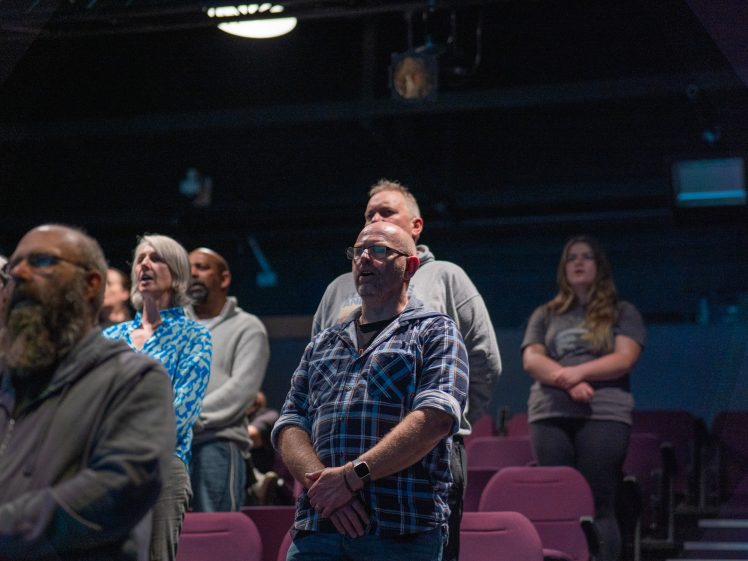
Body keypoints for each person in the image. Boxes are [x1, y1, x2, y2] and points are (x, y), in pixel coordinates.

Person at [312, 179, 501, 561]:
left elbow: (484, 361)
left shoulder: (446, 276)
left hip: (424, 455)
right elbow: (312, 378)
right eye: (369, 215)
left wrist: (448, 423)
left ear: (416, 225)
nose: (376, 217)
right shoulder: (337, 288)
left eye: (387, 211)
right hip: (336, 462)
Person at [273, 221, 469, 561]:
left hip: (400, 529)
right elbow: (290, 423)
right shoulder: (324, 342)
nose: (364, 258)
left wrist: (351, 478)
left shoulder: (434, 330)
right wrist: (326, 492)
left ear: (410, 267)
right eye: (358, 251)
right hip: (320, 526)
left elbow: (435, 419)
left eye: (379, 251)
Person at [0, 225, 176, 561]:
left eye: (41, 261)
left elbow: (117, 488)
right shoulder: (7, 379)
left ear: (90, 284)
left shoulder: (135, 378)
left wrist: (8, 526)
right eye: (11, 269)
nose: (19, 273)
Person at [521, 235, 646, 561]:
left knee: (598, 501)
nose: (578, 262)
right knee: (560, 503)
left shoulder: (623, 311)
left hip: (603, 412)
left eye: (586, 257)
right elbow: (532, 360)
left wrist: (579, 373)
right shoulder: (545, 313)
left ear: (599, 266)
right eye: (571, 257)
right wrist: (568, 380)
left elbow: (624, 358)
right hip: (550, 412)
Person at [103, 234, 212, 561]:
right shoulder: (110, 337)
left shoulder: (194, 335)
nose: (145, 265)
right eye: (140, 259)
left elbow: (180, 412)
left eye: (156, 258)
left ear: (177, 272)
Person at [185, 247, 270, 512]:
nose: (193, 274)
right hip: (171, 449)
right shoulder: (174, 326)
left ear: (224, 279)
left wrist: (184, 418)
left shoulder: (248, 327)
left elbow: (241, 391)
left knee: (214, 538)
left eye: (201, 267)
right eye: (188, 269)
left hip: (217, 445)